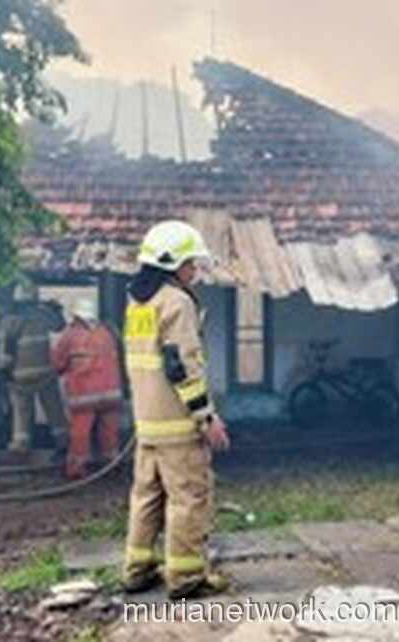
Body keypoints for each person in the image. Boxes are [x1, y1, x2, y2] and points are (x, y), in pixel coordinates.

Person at [120, 220, 231, 600]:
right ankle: (186, 579)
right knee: (189, 498)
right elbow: (182, 366)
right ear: (172, 264)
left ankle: (137, 570)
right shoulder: (177, 302)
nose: (194, 271)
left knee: (146, 497)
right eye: (190, 263)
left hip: (147, 423)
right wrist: (207, 418)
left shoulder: (137, 302)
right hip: (178, 426)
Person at [50, 298, 125, 479]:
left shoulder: (70, 335)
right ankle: (111, 465)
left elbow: (57, 364)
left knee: (80, 433)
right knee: (110, 431)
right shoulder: (106, 333)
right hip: (111, 393)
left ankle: (76, 469)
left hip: (84, 394)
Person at [0, 282, 66, 453]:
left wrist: (4, 373)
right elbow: (60, 326)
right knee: (54, 408)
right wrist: (56, 309)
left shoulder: (9, 321)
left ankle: (21, 444)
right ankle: (63, 440)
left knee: (21, 410)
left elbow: (7, 349)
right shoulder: (43, 315)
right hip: (45, 373)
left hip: (20, 375)